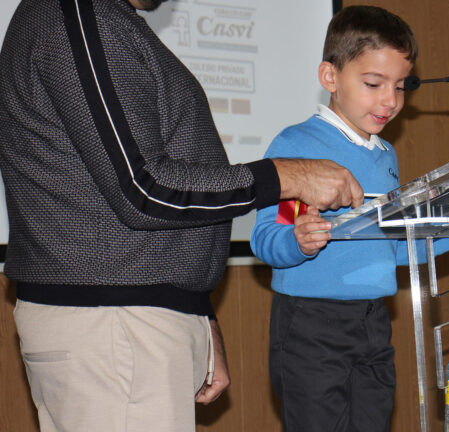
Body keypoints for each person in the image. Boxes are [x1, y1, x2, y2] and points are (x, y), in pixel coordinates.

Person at [0, 0, 363, 431]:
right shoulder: (76, 12)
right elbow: (142, 187)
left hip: (131, 322)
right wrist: (283, 177)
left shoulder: (106, 19)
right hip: (113, 326)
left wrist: (197, 312)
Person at [250, 6, 449, 432]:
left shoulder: (385, 154)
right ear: (330, 77)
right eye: (373, 84)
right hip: (312, 323)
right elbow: (267, 235)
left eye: (400, 87)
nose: (391, 100)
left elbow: (391, 246)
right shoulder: (299, 145)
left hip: (373, 321)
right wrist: (298, 240)